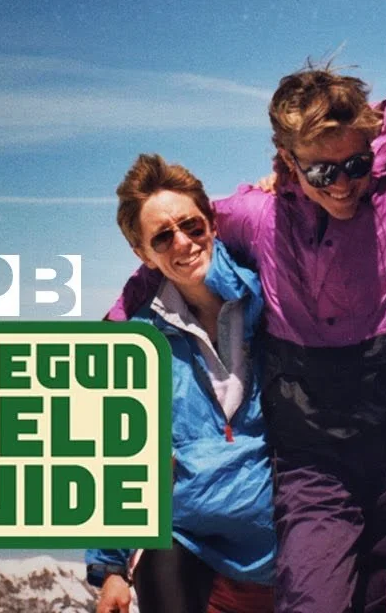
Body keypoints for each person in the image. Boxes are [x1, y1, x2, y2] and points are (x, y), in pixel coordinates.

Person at [108, 65, 386, 613]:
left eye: (354, 164)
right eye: (322, 173)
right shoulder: (260, 216)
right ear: (288, 160)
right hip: (314, 461)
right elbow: (169, 254)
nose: (343, 184)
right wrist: (116, 326)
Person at [88, 154, 274, 613]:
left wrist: (285, 194)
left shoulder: (272, 296)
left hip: (289, 528)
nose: (183, 243)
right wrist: (110, 567)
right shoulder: (140, 344)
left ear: (212, 221)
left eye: (191, 226)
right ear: (142, 252)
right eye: (163, 236)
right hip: (192, 538)